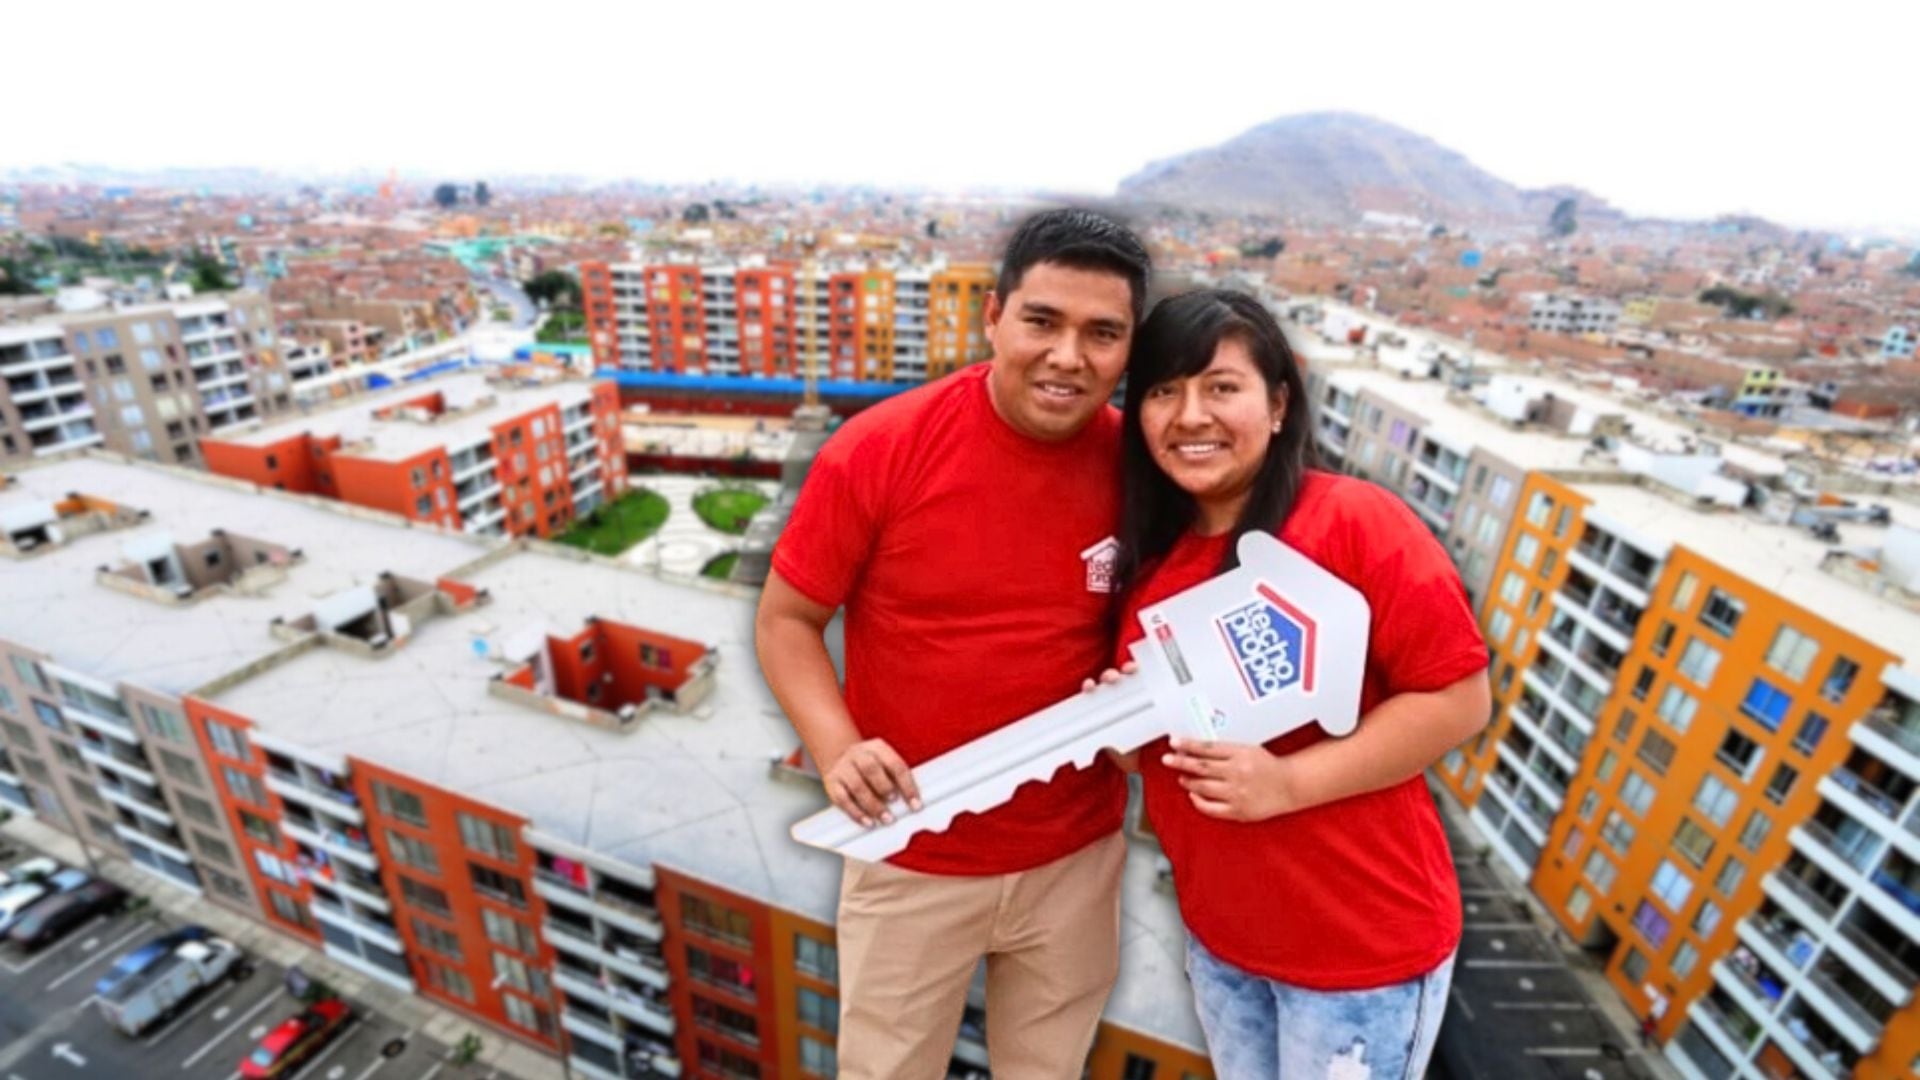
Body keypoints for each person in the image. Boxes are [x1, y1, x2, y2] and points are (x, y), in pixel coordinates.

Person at [755, 208, 1152, 1079]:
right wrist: (837, 745)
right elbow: (786, 620)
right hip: (912, 852)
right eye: (1042, 321)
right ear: (994, 318)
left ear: (1129, 349)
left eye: (1102, 333)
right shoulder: (881, 450)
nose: (1068, 356)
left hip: (1074, 857)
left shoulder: (1144, 470)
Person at [1101, 289, 1490, 1079]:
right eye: (1163, 391)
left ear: (1278, 405)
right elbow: (1164, 765)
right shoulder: (1155, 577)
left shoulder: (1353, 523)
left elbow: (1458, 699)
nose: (1190, 415)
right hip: (1224, 945)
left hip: (1360, 952)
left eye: (1221, 387)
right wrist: (1119, 728)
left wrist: (1287, 782)